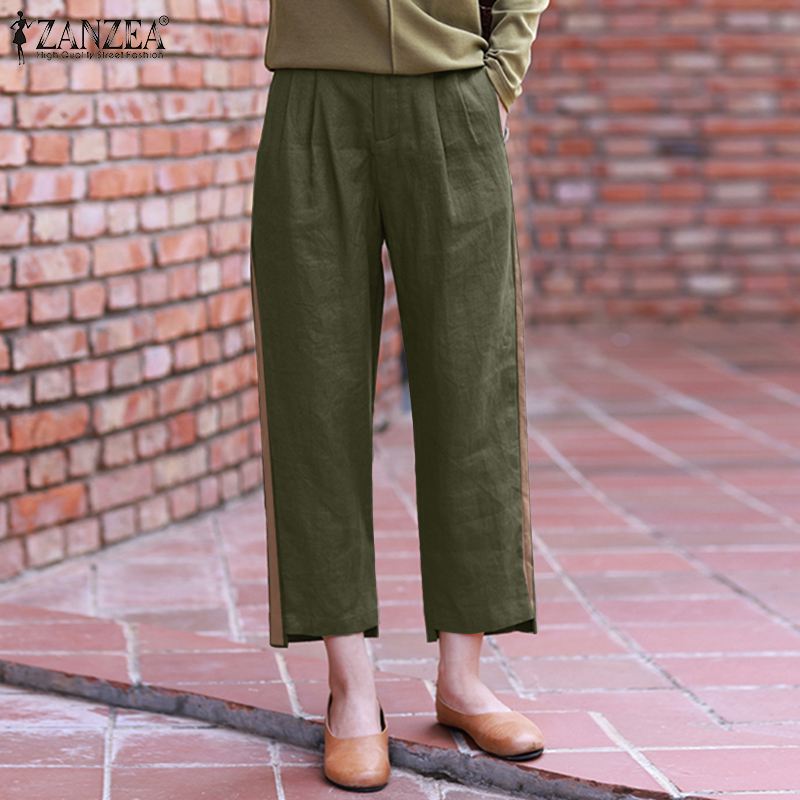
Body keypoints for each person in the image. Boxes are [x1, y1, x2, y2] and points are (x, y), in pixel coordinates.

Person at [249, 0, 550, 791]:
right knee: (313, 394)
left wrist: (501, 75)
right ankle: (350, 689)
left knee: (471, 388)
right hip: (316, 97)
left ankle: (463, 680)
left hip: (452, 92)